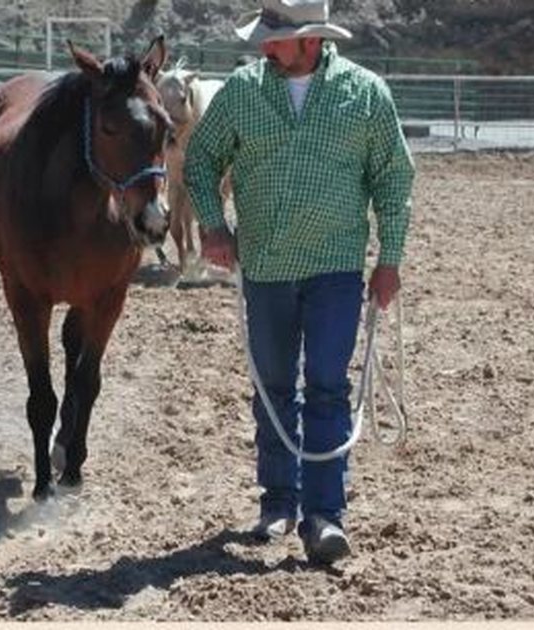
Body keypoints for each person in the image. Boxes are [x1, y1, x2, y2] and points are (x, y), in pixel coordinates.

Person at [184, 0, 414, 565]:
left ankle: (324, 516)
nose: (264, 46)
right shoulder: (242, 91)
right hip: (264, 269)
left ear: (311, 41)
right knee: (273, 388)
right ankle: (278, 503)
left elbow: (393, 178)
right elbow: (200, 160)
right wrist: (213, 227)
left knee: (329, 386)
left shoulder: (364, 94)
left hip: (336, 267)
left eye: (275, 38)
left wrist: (391, 260)